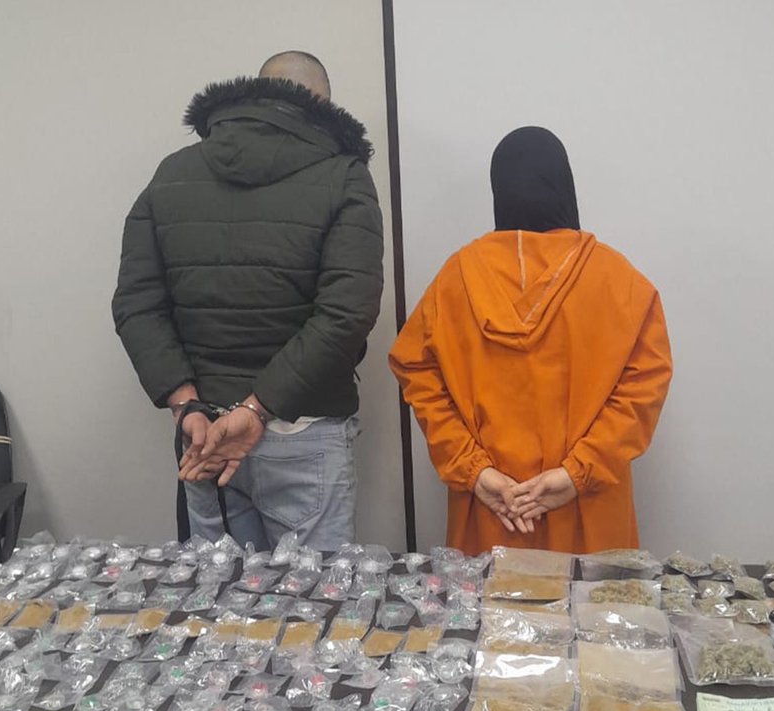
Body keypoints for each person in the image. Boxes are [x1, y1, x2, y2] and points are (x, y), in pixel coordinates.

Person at [112, 51, 383, 552]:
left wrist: (185, 403)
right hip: (302, 427)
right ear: (321, 105)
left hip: (205, 431)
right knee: (312, 595)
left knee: (221, 596)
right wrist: (258, 409)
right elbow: (347, 313)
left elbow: (137, 304)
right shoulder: (343, 175)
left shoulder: (172, 173)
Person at [389, 126, 672, 554]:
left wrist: (474, 469)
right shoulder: (621, 283)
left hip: (494, 511)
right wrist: (578, 472)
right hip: (588, 514)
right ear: (565, 186)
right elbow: (643, 388)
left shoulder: (455, 280)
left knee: (491, 598)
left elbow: (414, 368)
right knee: (595, 598)